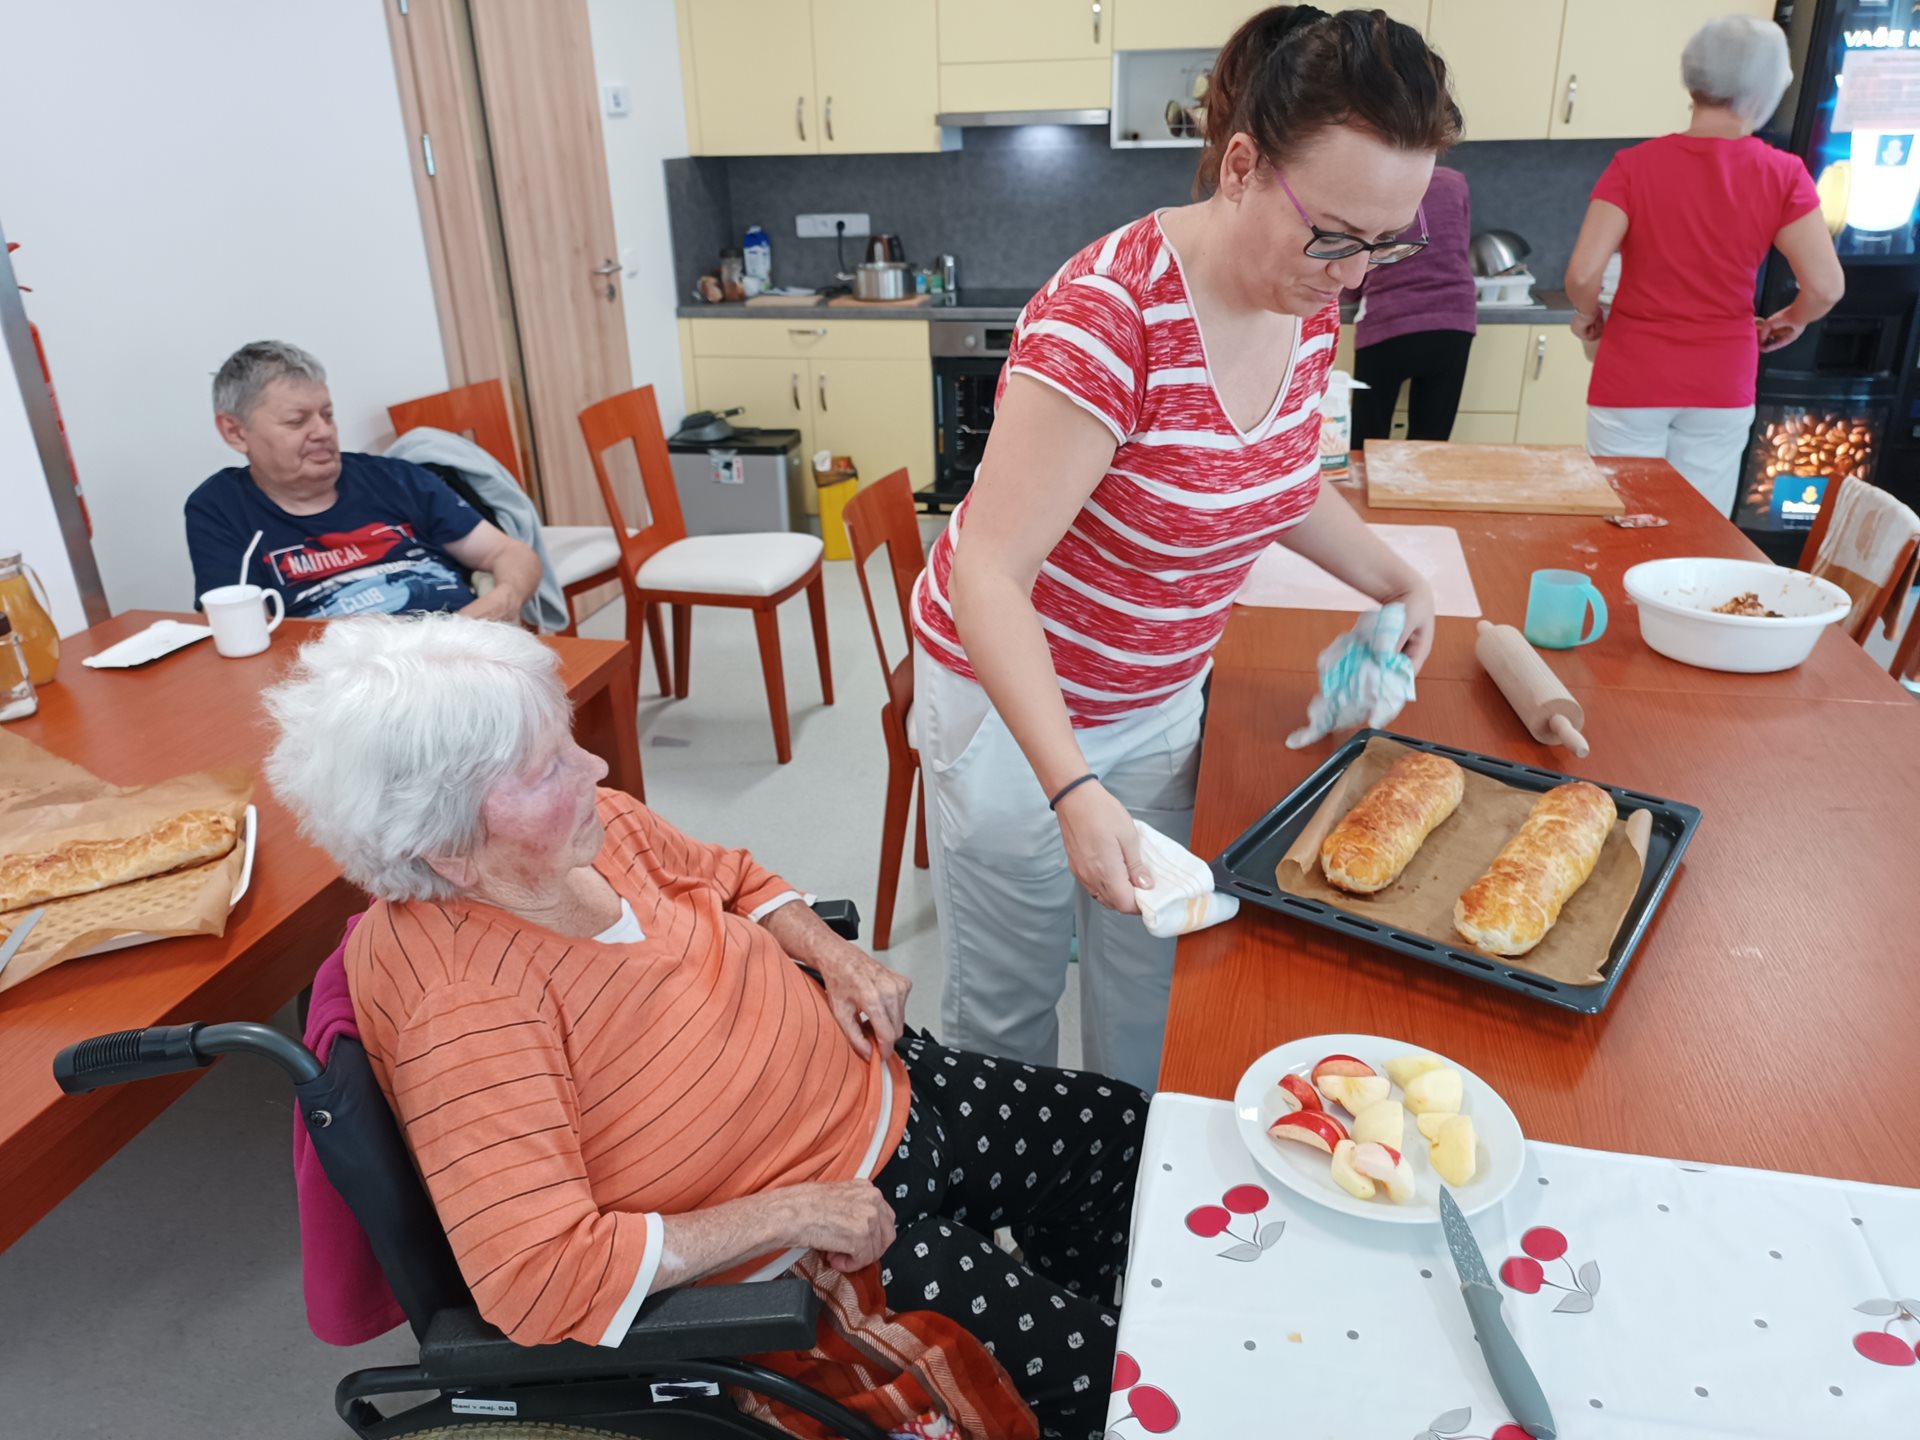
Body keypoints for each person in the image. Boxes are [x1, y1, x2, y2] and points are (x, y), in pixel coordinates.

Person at [261, 614, 1143, 1440]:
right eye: (546, 769)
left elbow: (734, 878)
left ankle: (1058, 1297)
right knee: (1127, 1379)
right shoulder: (468, 1008)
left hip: (884, 1087)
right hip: (812, 1246)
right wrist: (792, 1210)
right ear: (446, 848)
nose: (593, 768)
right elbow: (537, 1277)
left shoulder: (588, 832)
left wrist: (835, 957)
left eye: (566, 741)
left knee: (1125, 1136)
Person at [909, 5, 1456, 1090]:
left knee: (1149, 985)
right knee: (1008, 1013)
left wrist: (1397, 577)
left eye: (1386, 243)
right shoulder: (1109, 319)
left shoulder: (1303, 296)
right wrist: (1070, 787)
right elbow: (990, 572)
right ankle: (1004, 1196)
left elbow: (1271, 474)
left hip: (1156, 699)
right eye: (1336, 235)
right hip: (1015, 716)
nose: (1354, 277)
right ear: (1242, 166)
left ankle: (1119, 1184)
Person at [1566, 15, 1844, 516]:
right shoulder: (1783, 174)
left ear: (1693, 81)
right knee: (1697, 527)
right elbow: (1825, 287)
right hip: (1721, 379)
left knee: (1621, 520)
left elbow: (1583, 275)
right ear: (1764, 88)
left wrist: (1589, 314)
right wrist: (1792, 319)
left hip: (1631, 374)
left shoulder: (1633, 166)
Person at [186, 341, 543, 620]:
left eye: (327, 415)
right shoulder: (222, 508)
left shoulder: (395, 479)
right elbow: (241, 629)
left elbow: (509, 552)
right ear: (235, 432)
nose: (323, 432)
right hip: (344, 677)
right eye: (297, 421)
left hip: (458, 648)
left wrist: (502, 600)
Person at [1348, 166, 1477, 443]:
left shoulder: (1376, 176)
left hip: (1388, 320)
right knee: (1430, 442)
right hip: (1453, 321)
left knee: (1367, 440)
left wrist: (1350, 293)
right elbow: (1459, 245)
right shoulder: (1455, 182)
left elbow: (1356, 256)